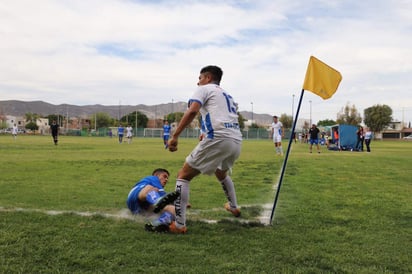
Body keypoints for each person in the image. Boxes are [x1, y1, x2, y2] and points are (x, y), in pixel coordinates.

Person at [167, 65, 242, 234]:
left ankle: (179, 225)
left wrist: (175, 136)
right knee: (221, 173)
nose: (198, 81)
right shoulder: (225, 94)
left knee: (183, 176)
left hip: (219, 137)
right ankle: (233, 206)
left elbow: (192, 111)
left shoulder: (204, 89)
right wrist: (203, 132)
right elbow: (217, 115)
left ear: (208, 78)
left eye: (200, 77)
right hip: (236, 139)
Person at [126, 168, 179, 232]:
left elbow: (166, 199)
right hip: (136, 196)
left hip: (140, 210)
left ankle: (159, 222)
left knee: (174, 209)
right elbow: (165, 198)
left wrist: (180, 205)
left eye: (167, 178)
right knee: (151, 188)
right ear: (156, 175)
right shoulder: (153, 178)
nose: (166, 179)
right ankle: (156, 200)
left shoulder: (158, 191)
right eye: (164, 176)